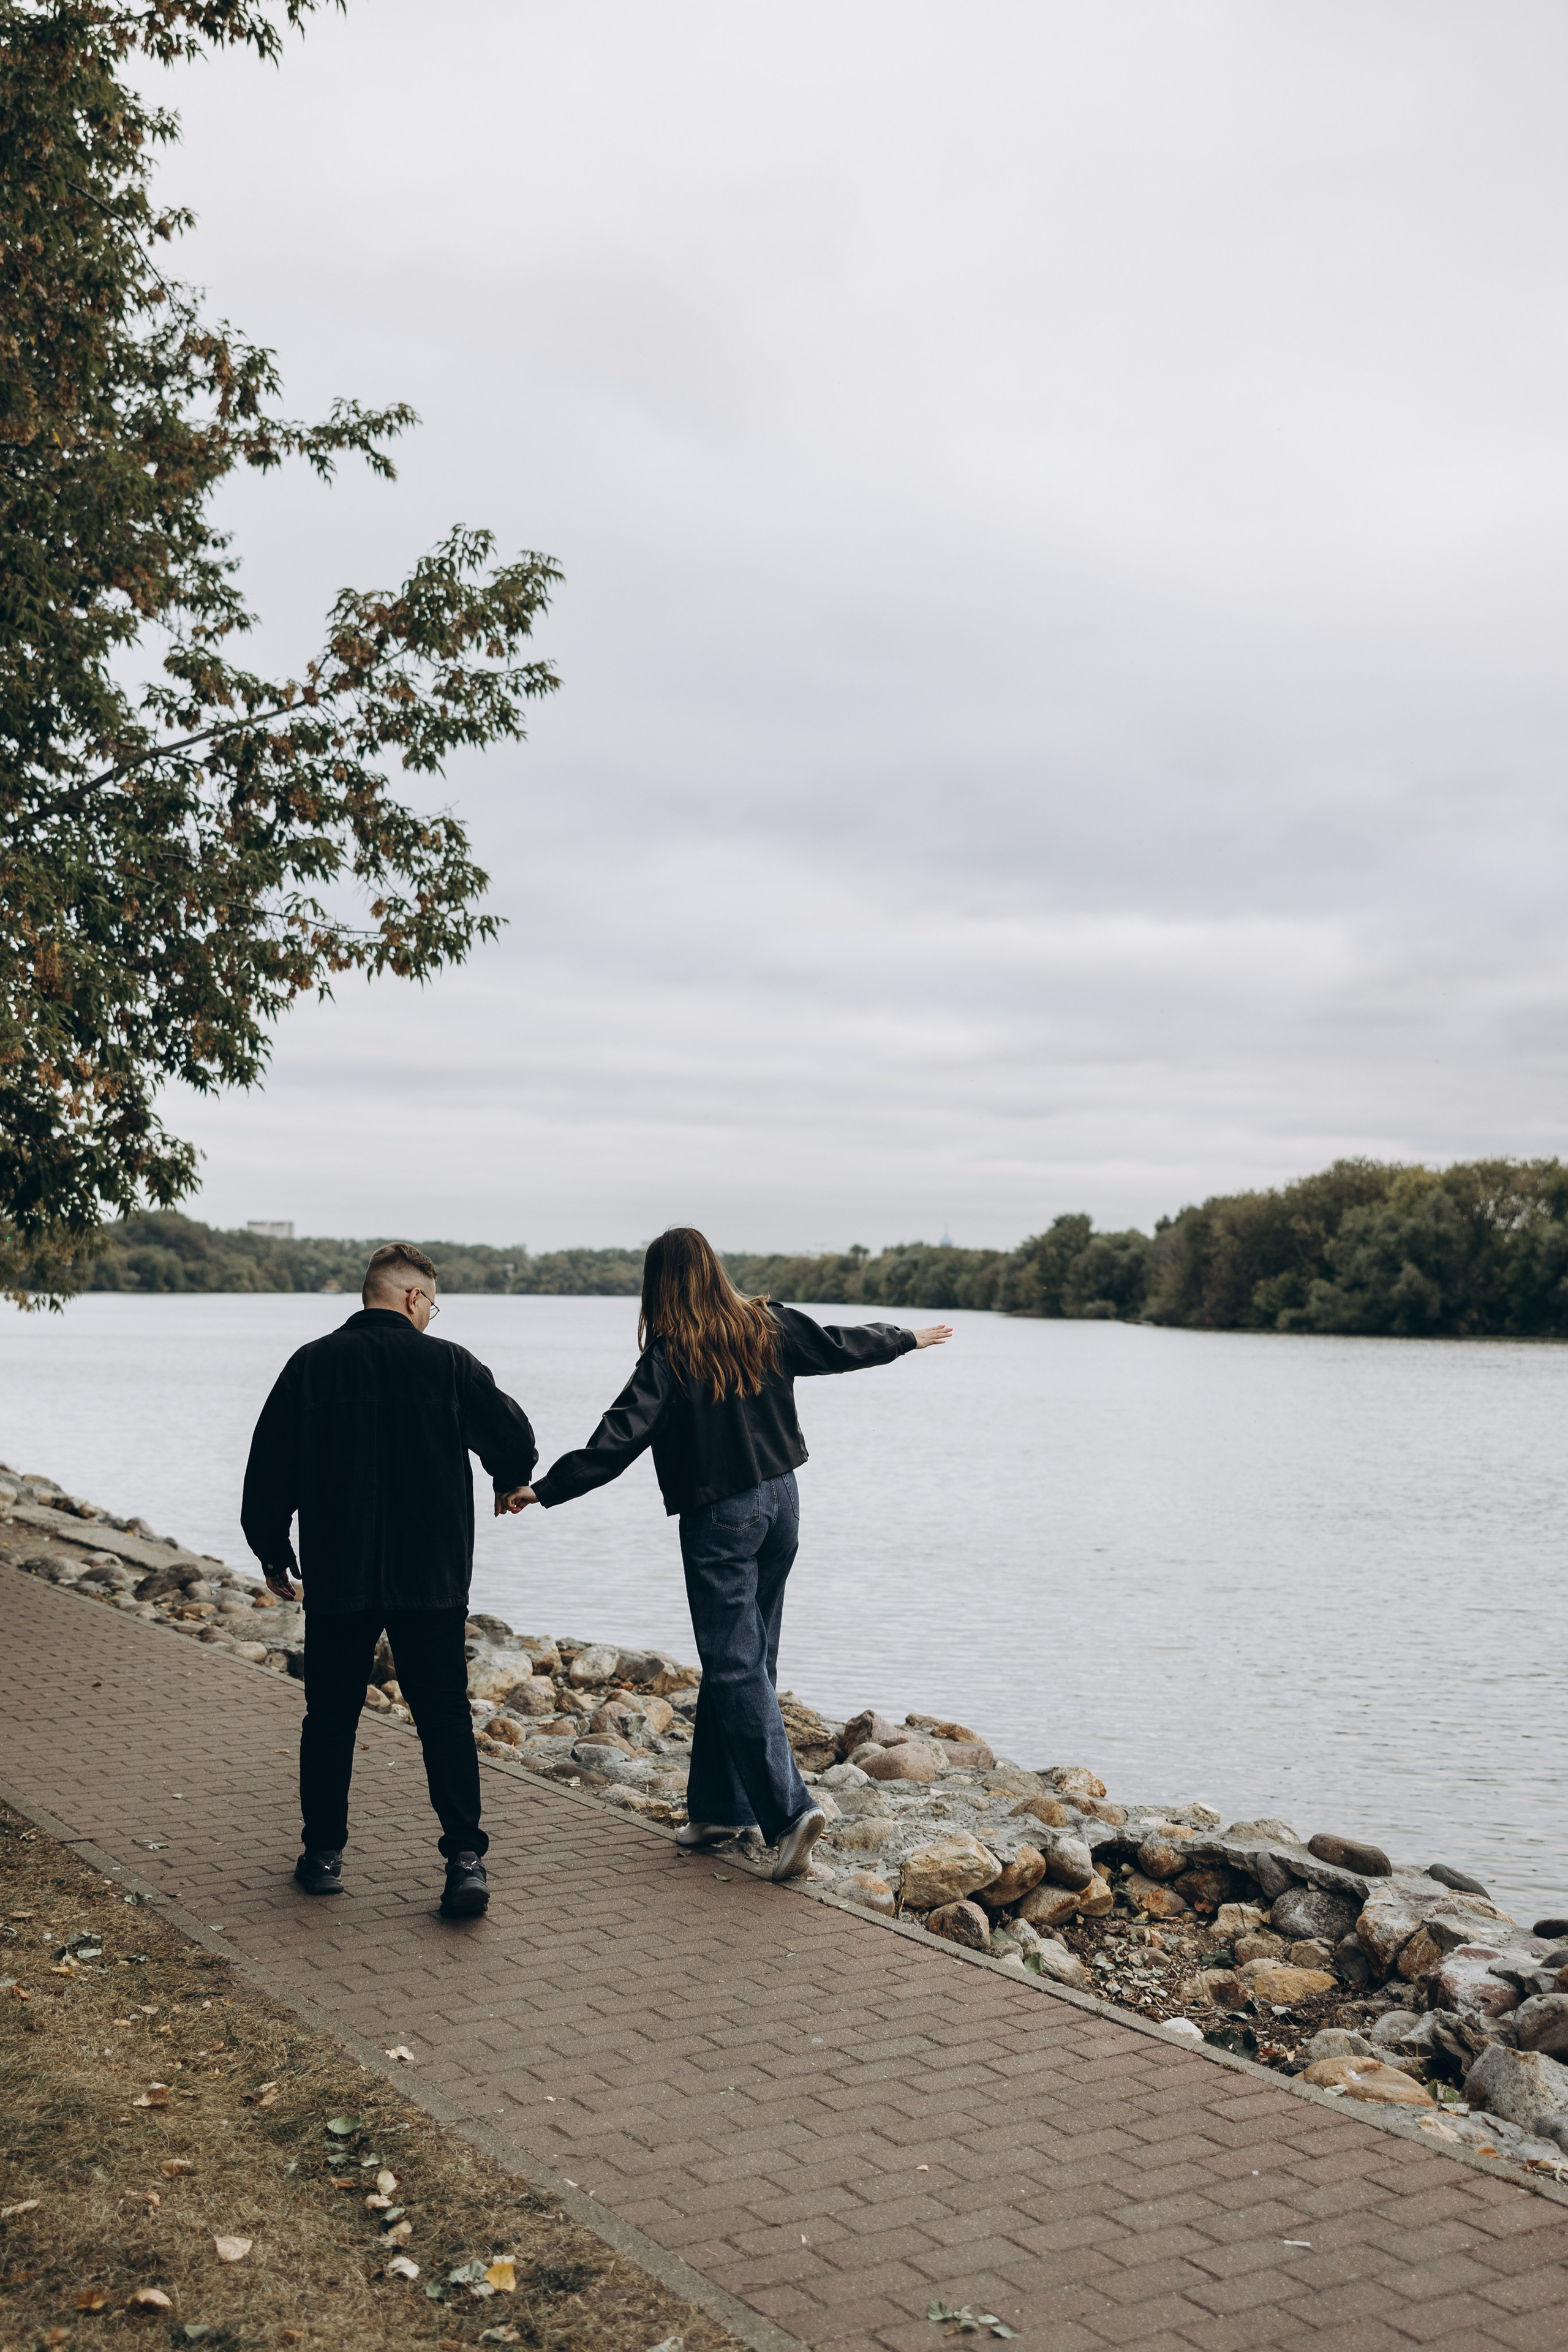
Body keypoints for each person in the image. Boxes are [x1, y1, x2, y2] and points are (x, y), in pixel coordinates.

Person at [503, 1227, 949, 1882]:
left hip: (723, 1514)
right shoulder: (764, 1325)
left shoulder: (671, 1353)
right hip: (782, 1502)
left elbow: (617, 1437)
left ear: (658, 1285)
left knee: (735, 1662)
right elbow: (838, 1345)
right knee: (744, 1657)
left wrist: (543, 1489)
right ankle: (720, 1807)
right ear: (713, 1269)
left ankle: (790, 1811)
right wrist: (904, 1338)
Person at [241, 1242, 537, 1918]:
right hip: (430, 1575)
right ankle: (465, 1859)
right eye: (432, 1302)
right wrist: (508, 1480)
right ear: (411, 1298)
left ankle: (322, 1856)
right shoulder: (451, 1365)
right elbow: (512, 1435)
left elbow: (269, 1466)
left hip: (339, 1572)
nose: (432, 1314)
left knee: (330, 1718)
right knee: (443, 1718)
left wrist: (271, 1550)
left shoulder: (311, 1364)